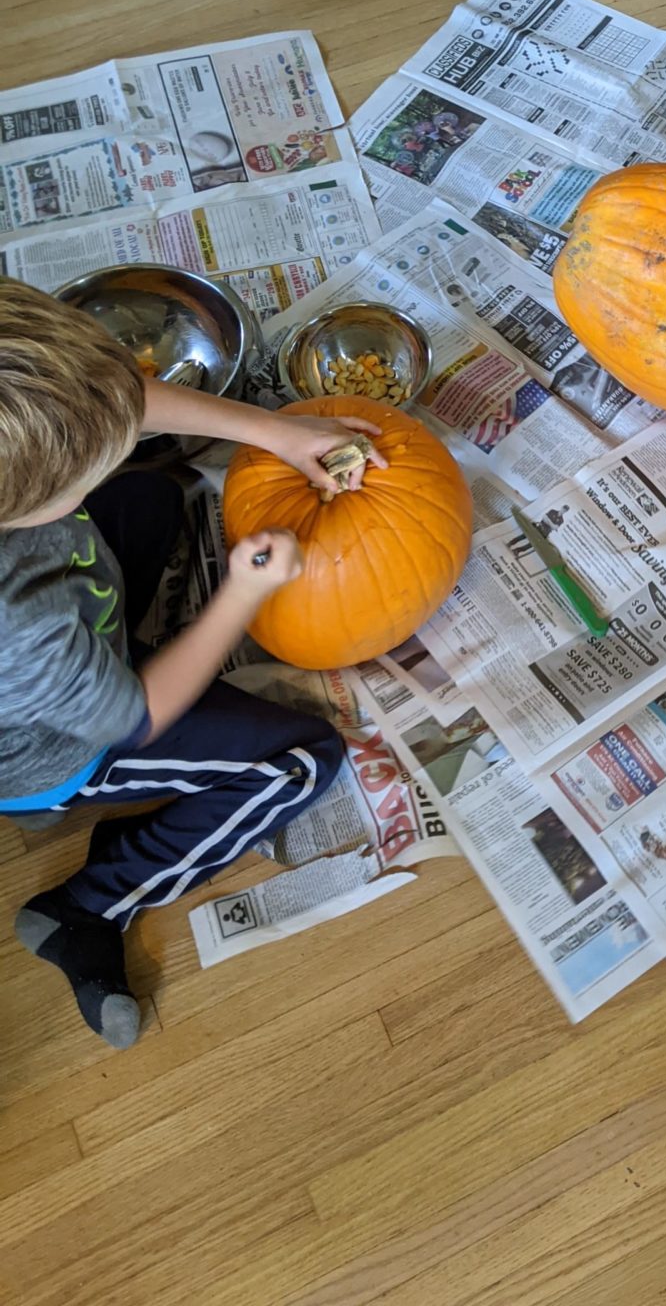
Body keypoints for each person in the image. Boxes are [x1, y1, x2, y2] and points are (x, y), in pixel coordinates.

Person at [0, 280, 388, 1049]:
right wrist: (241, 592)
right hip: (71, 745)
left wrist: (277, 434)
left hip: (81, 627)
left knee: (149, 498)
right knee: (303, 760)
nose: (106, 457)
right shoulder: (18, 627)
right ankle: (91, 904)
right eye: (84, 470)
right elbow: (134, 713)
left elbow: (121, 404)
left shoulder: (23, 468)